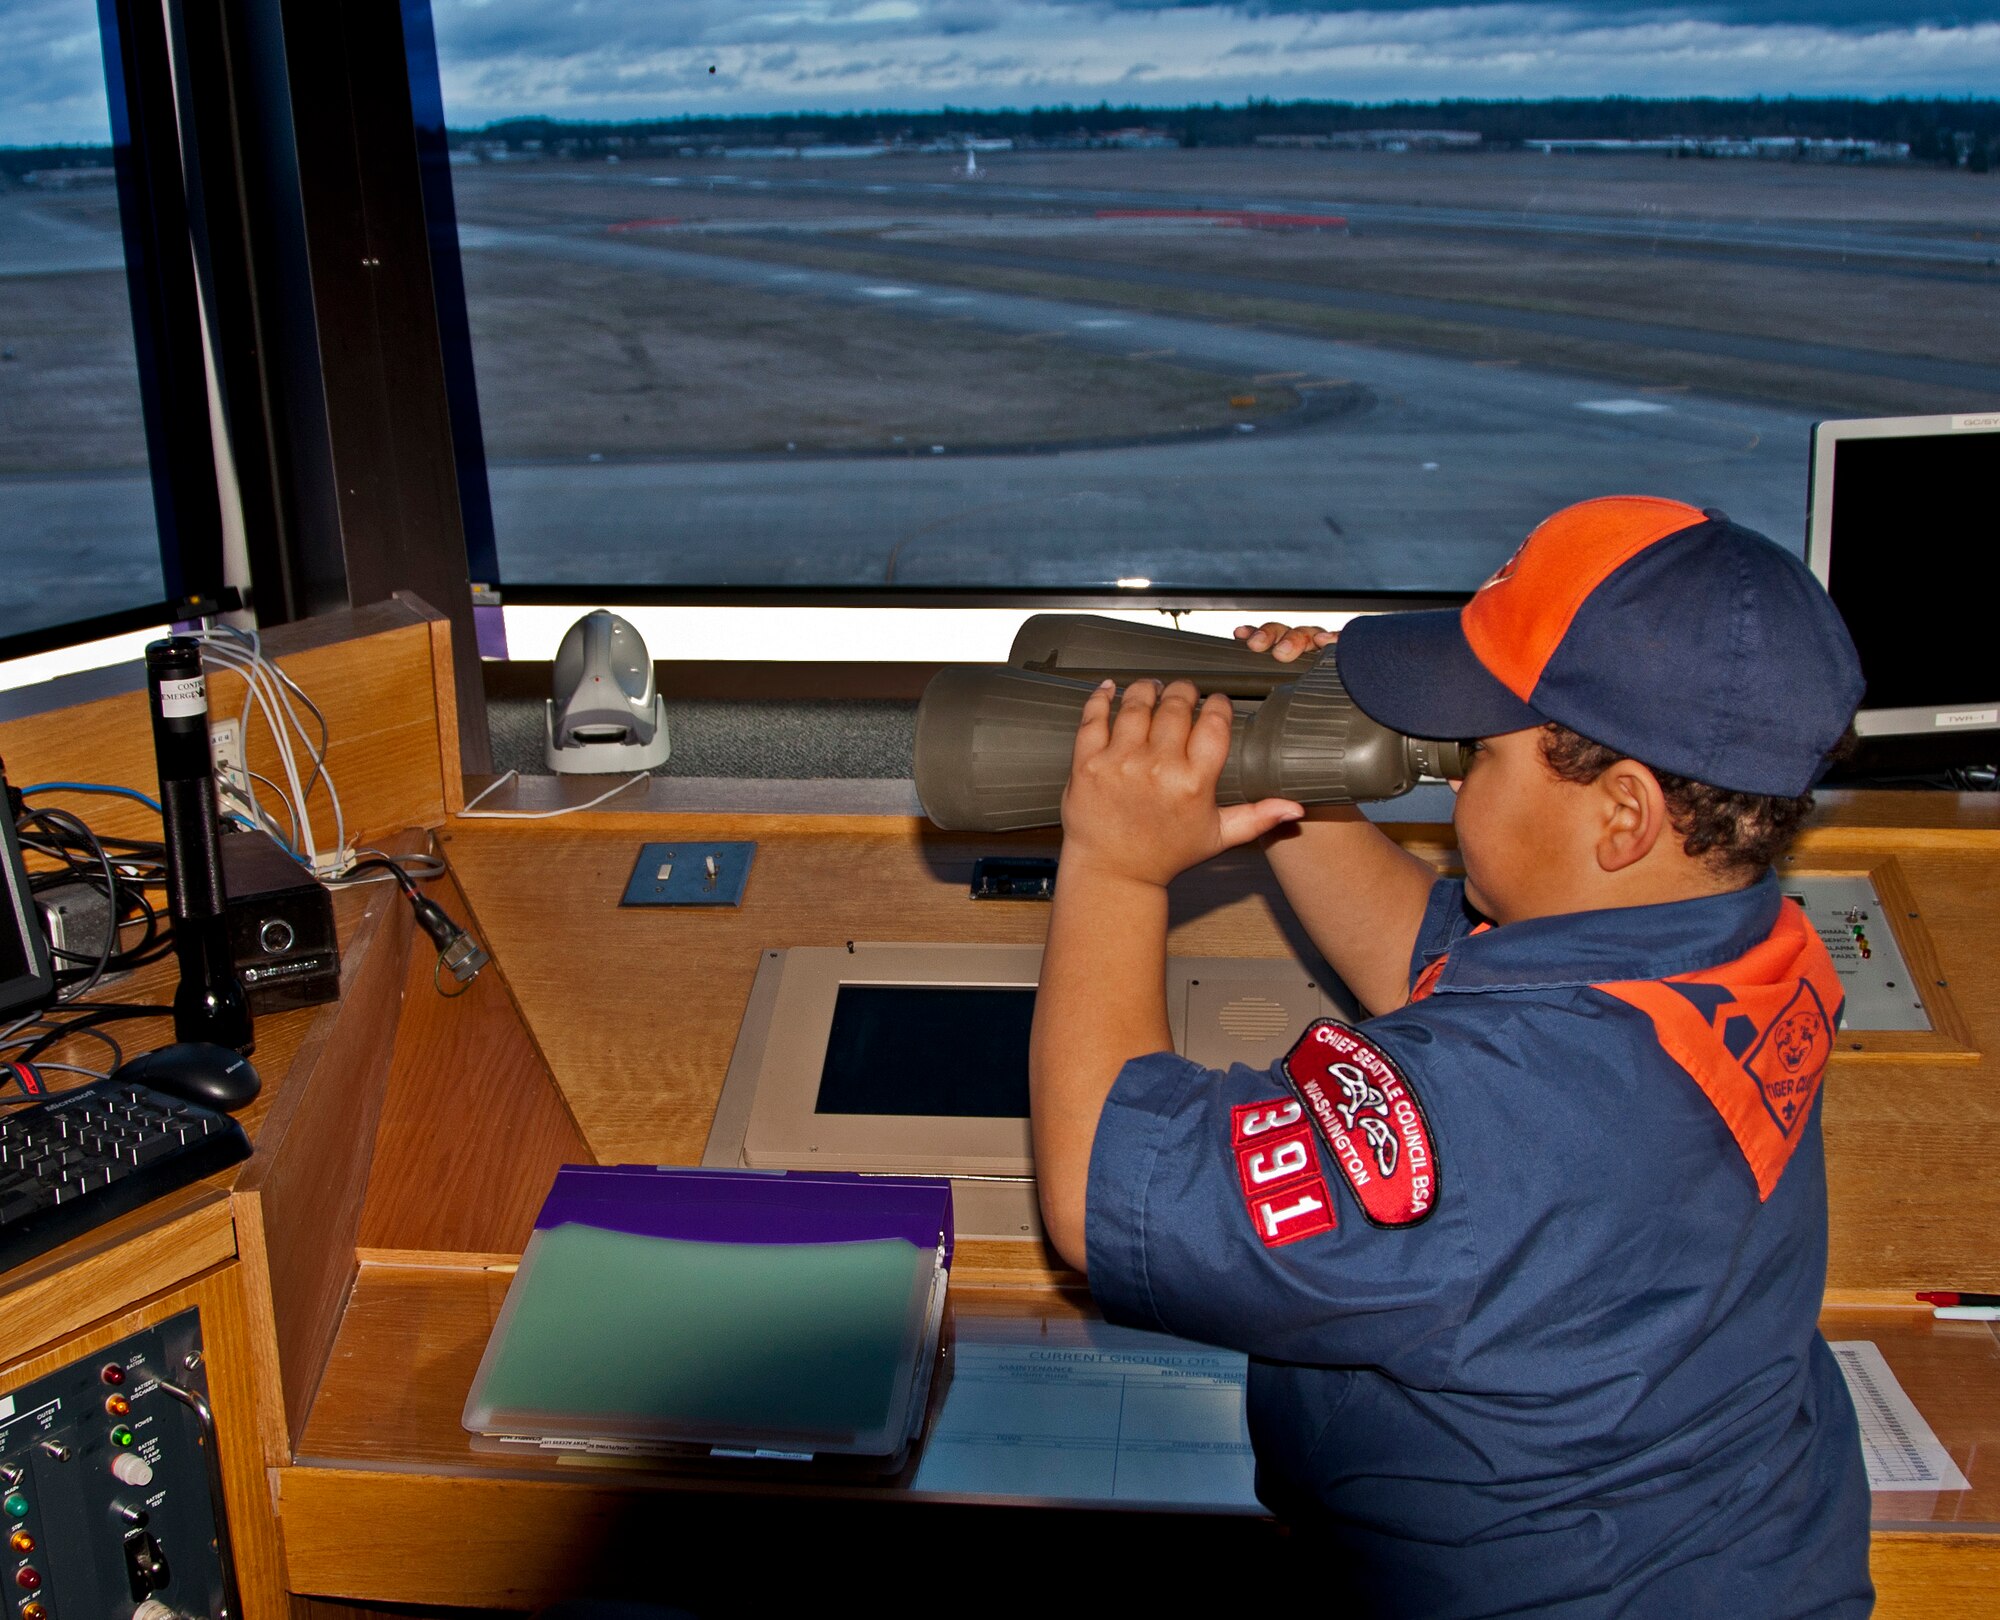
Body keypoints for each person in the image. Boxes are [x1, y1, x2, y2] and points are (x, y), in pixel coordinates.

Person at [1028, 495, 1873, 1619]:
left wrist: (1116, 870)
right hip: (1723, 1544)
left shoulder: (1514, 1104)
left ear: (1620, 817)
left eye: (1477, 752)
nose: (1452, 777)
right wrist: (1289, 771)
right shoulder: (1737, 943)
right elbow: (1424, 965)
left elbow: (1097, 1191)